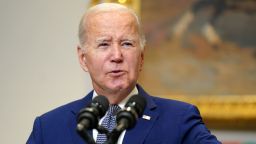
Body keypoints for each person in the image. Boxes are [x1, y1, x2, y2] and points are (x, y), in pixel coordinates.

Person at [27, 3, 221, 144]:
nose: (117, 56)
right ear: (83, 58)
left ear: (142, 57)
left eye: (127, 44)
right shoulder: (49, 128)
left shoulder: (179, 120)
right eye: (104, 44)